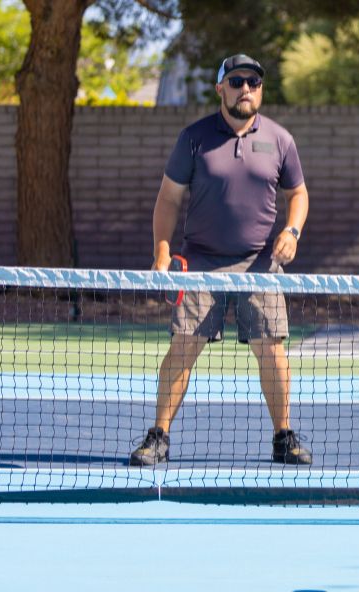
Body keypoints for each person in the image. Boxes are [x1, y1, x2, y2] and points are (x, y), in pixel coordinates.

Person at [129, 54, 313, 467]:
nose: (245, 88)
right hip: (201, 262)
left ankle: (283, 437)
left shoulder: (280, 140)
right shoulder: (193, 138)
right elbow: (168, 198)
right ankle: (158, 436)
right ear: (221, 89)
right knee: (184, 346)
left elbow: (298, 194)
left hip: (260, 264)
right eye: (236, 81)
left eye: (253, 82)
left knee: (272, 350)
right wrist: (161, 250)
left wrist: (292, 231)